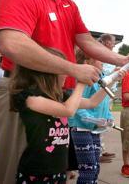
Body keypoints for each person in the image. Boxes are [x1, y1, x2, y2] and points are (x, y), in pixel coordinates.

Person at [0, 0, 129, 184]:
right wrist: (73, 69)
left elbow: (85, 41)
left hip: (56, 93)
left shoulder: (67, 4)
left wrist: (123, 60)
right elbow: (12, 44)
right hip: (25, 93)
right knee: (21, 171)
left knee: (52, 168)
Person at [9, 47, 117, 183]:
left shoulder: (60, 96)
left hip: (58, 169)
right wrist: (82, 82)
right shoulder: (30, 97)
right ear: (47, 72)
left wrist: (114, 78)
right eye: (63, 70)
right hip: (36, 173)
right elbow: (68, 110)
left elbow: (91, 102)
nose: (67, 74)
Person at [69, 49, 122, 183]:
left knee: (95, 167)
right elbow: (77, 105)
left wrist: (108, 118)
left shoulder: (101, 78)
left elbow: (104, 103)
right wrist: (93, 121)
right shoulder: (84, 79)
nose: (102, 61)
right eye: (98, 59)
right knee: (88, 169)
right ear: (87, 62)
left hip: (94, 130)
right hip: (81, 129)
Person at [97, 33, 119, 162]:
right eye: (113, 42)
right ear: (106, 42)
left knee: (105, 121)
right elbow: (101, 75)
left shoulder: (110, 56)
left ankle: (101, 149)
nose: (115, 44)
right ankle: (97, 151)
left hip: (109, 93)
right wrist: (114, 72)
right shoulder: (100, 56)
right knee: (100, 120)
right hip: (101, 93)